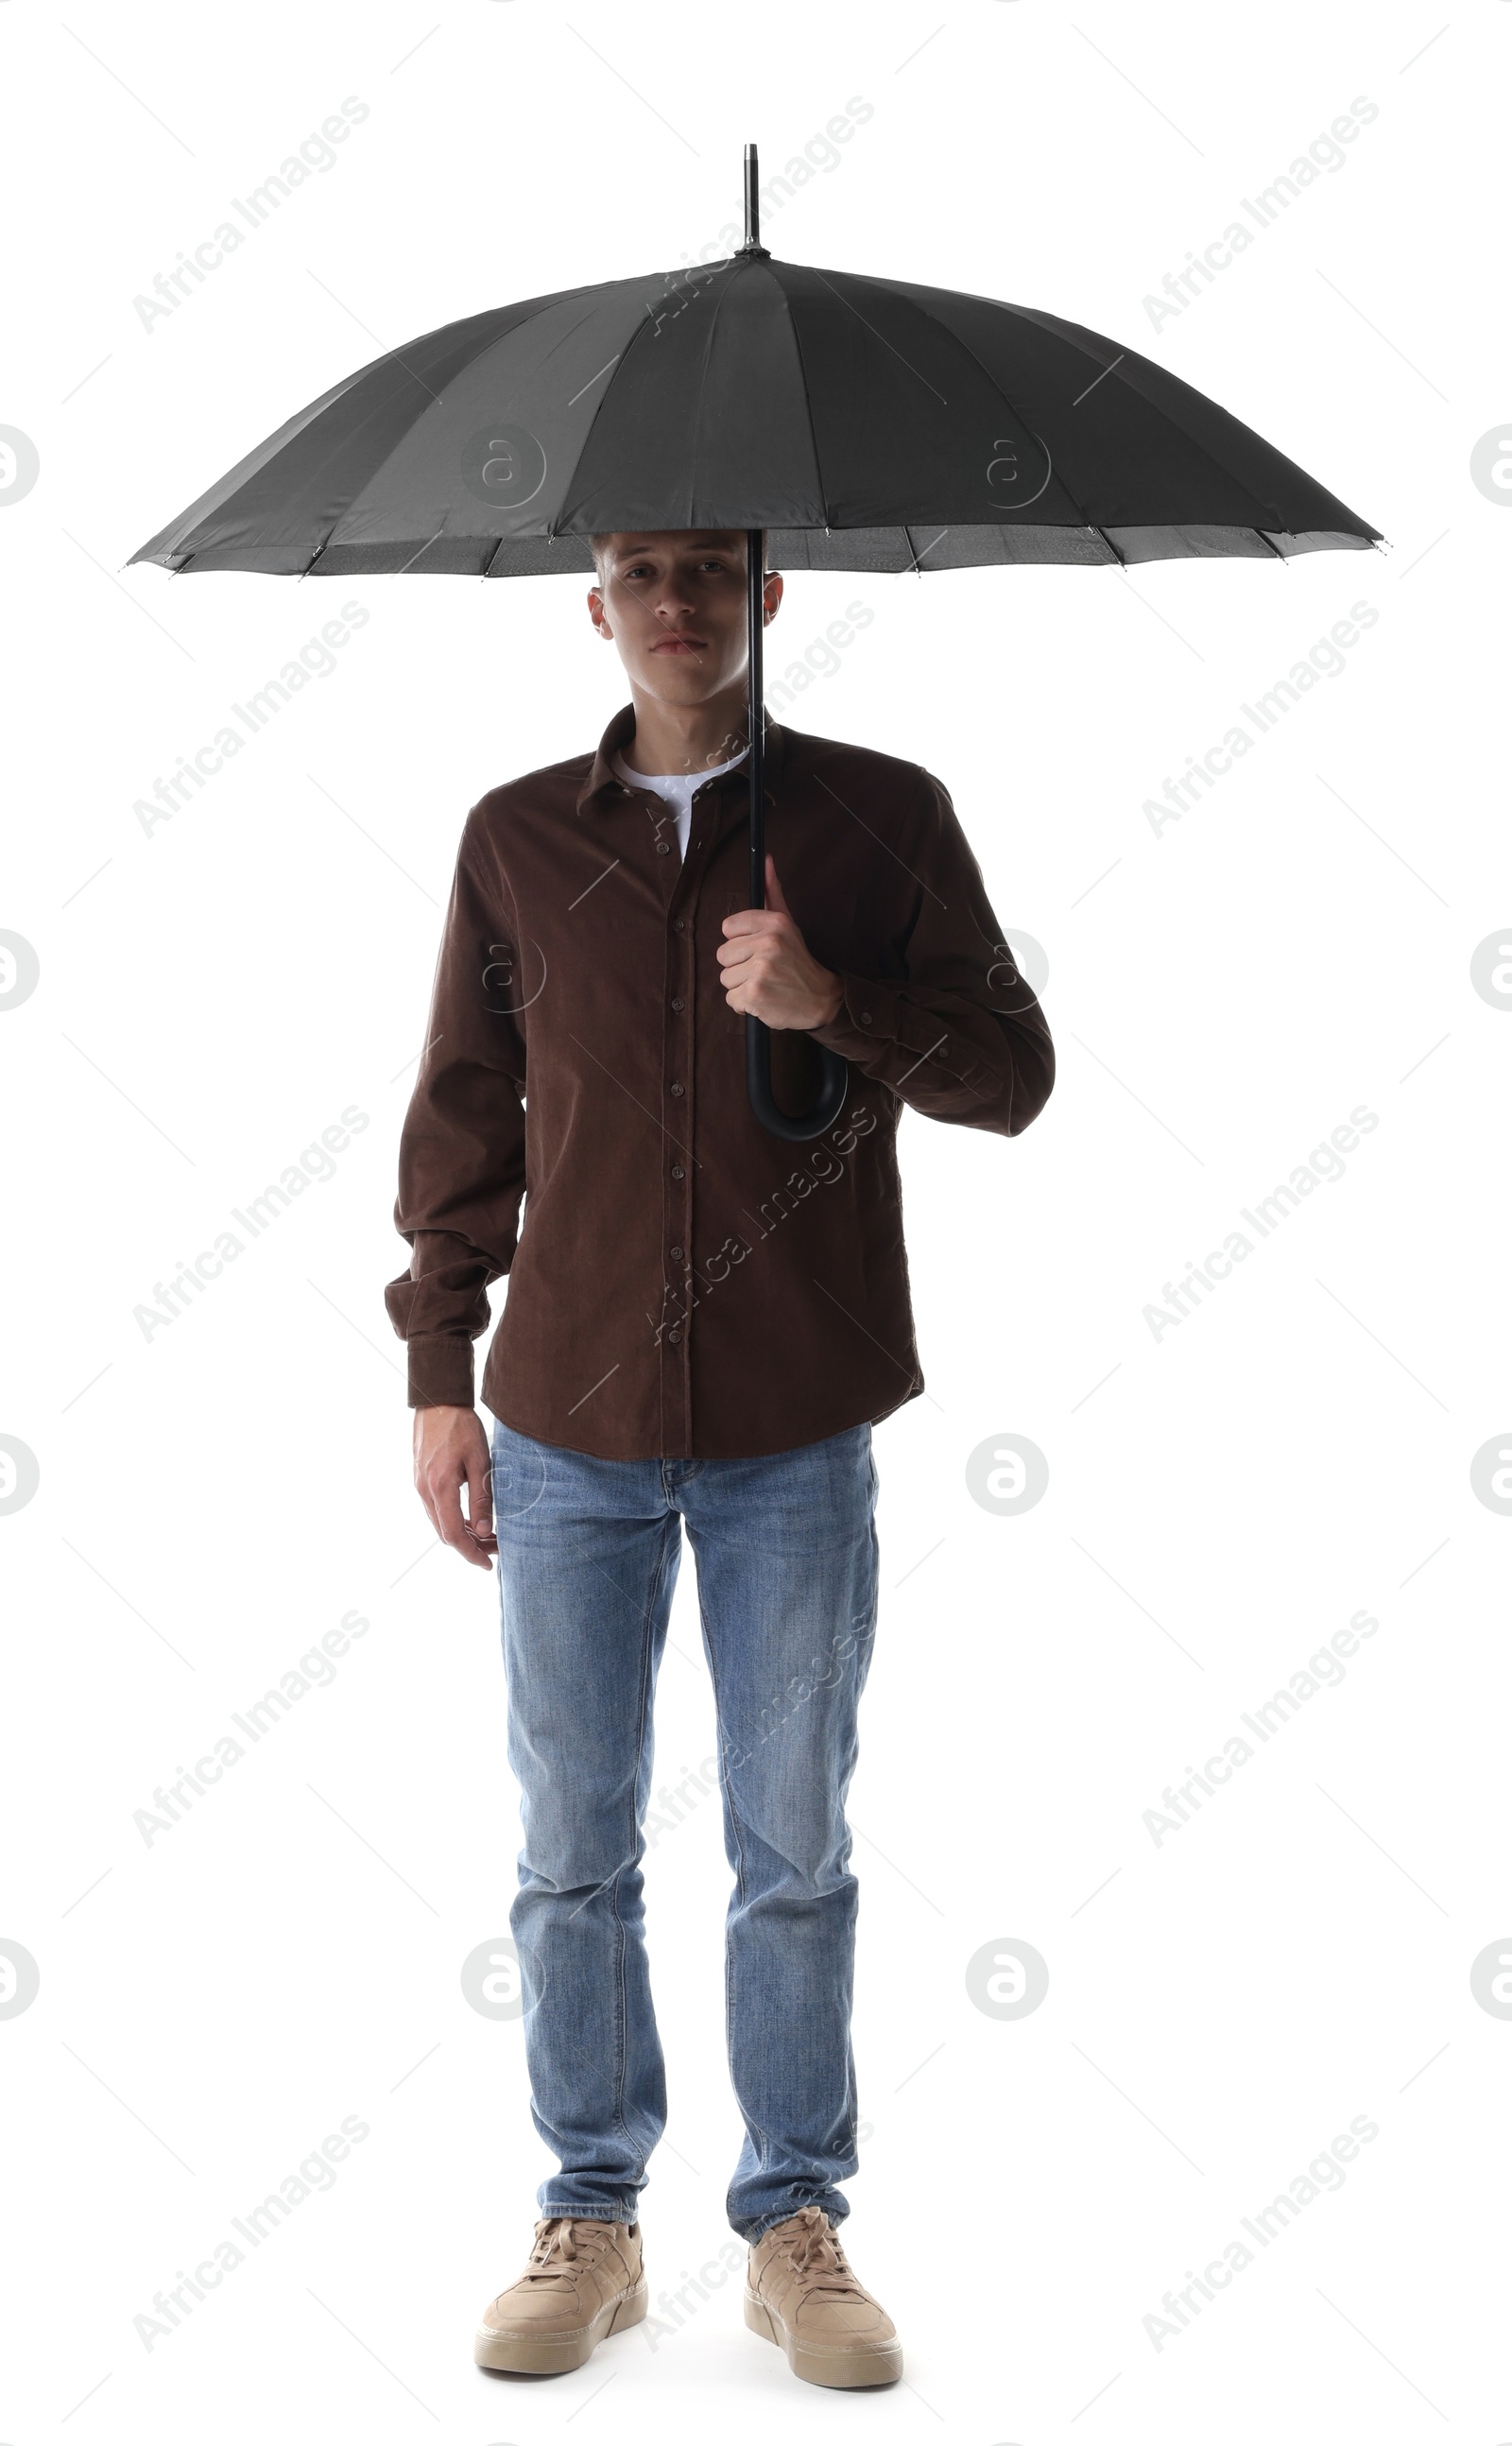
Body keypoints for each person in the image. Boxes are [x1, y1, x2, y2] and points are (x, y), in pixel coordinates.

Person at [385, 530, 1055, 2389]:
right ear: (591, 602)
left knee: (791, 1845)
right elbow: (462, 1105)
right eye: (639, 570)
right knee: (571, 1845)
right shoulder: (517, 835)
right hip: (568, 1425)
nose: (674, 600)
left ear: (766, 594)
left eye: (710, 568)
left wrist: (833, 1003)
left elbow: (1012, 1070)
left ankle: (789, 2223)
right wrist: (440, 1363)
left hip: (790, 1423)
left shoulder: (876, 818)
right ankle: (589, 2214)